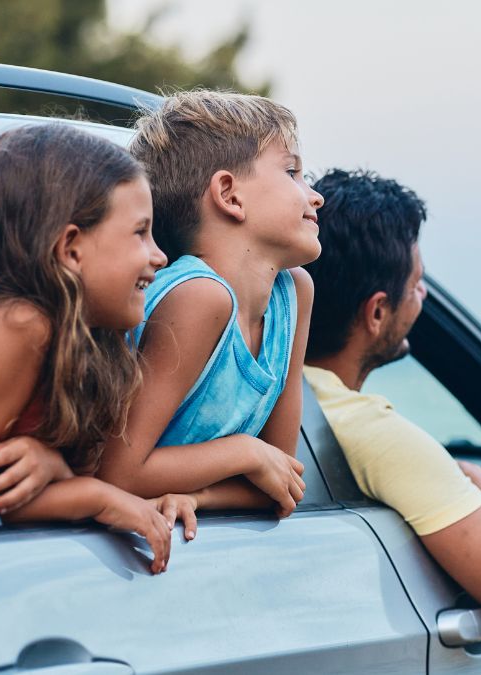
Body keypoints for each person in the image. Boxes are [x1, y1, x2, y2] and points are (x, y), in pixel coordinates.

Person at [301, 169, 481, 647]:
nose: (423, 298)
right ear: (376, 312)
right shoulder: (370, 431)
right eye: (417, 285)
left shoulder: (270, 394)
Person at [0, 123, 195, 574]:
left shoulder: (89, 346)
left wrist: (61, 472)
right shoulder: (15, 327)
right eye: (140, 233)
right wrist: (96, 497)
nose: (159, 256)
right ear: (71, 248)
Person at [97, 92, 318, 518]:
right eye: (292, 172)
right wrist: (244, 453)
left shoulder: (294, 295)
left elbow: (284, 481)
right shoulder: (199, 297)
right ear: (229, 195)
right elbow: (117, 473)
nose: (314, 196)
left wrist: (199, 497)